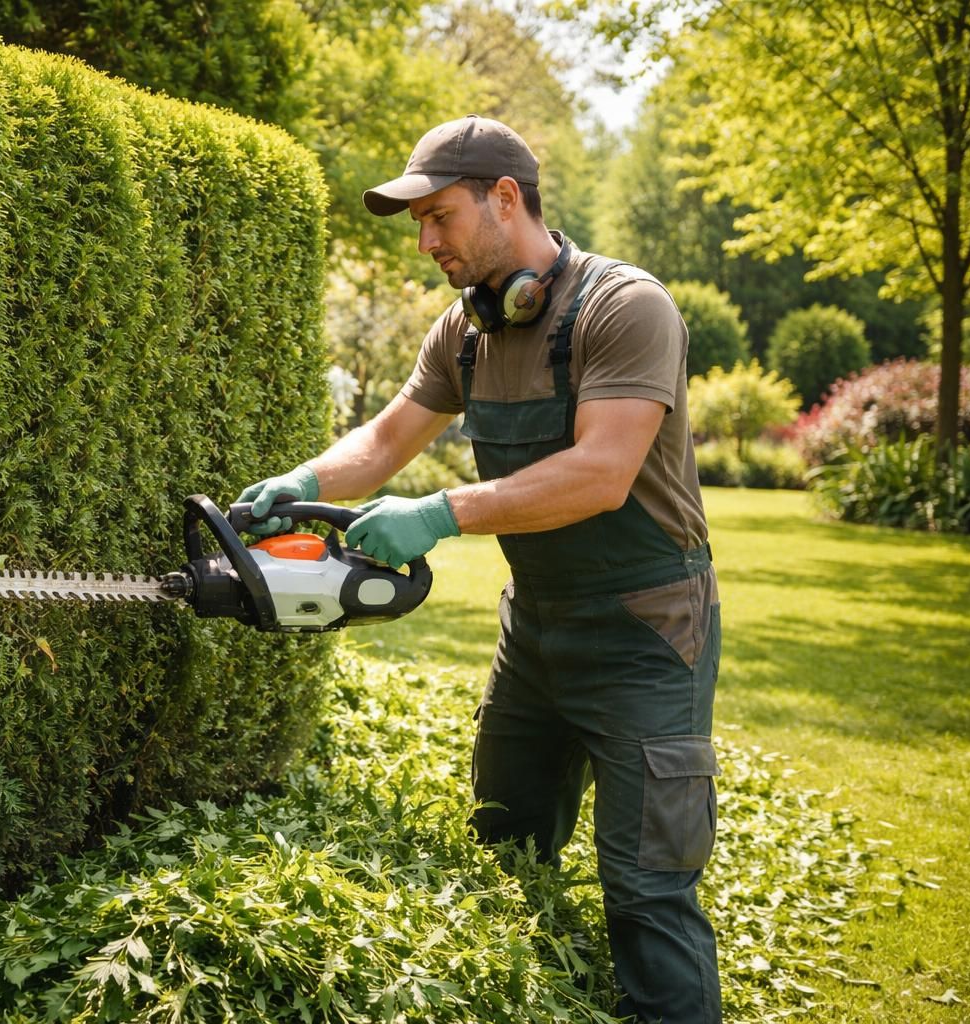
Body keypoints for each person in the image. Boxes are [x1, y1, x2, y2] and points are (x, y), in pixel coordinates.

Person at [237, 115, 723, 1024]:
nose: (426, 242)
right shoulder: (465, 331)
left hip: (648, 630)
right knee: (508, 849)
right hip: (535, 626)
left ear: (507, 199)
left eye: (440, 217)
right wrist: (300, 484)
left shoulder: (626, 308)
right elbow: (385, 440)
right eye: (417, 223)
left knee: (650, 894)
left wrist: (439, 513)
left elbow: (602, 473)